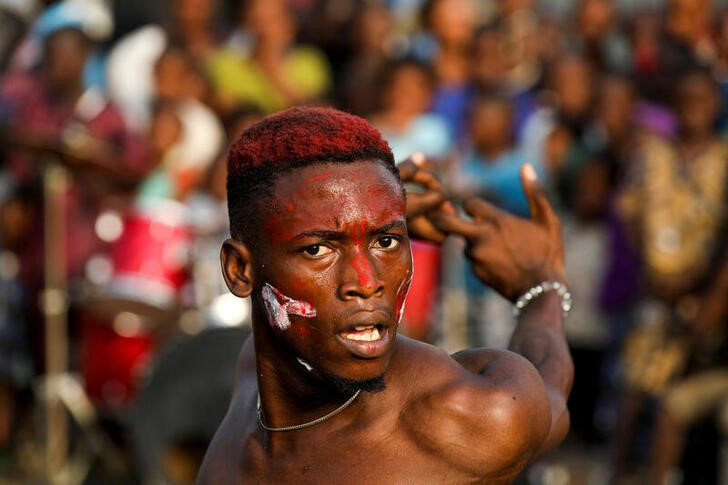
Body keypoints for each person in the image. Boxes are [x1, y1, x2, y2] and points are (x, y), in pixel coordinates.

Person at [197, 107, 573, 483]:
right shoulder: (250, 380)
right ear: (239, 270)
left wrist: (541, 287)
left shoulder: (462, 418)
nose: (366, 281)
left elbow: (548, 396)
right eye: (317, 250)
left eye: (388, 241)